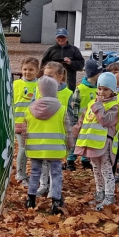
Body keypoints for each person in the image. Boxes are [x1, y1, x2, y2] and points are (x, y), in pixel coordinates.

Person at [18, 75, 68, 215]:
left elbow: (24, 131)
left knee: (34, 173)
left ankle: (31, 199)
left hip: (35, 149)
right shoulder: (61, 109)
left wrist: (25, 144)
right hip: (55, 149)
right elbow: (68, 129)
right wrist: (69, 145)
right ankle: (56, 202)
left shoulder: (29, 109)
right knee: (56, 174)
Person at [74, 72, 119, 210]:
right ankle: (100, 193)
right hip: (92, 144)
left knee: (106, 171)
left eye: (106, 89)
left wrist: (98, 105)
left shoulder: (114, 106)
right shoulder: (91, 103)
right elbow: (83, 120)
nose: (102, 92)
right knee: (96, 170)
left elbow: (105, 120)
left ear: (112, 90)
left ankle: (109, 196)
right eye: (100, 88)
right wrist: (75, 131)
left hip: (104, 145)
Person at [35, 62, 72, 197]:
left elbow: (70, 114)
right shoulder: (39, 89)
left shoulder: (67, 93)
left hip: (58, 134)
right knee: (43, 161)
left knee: (54, 164)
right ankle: (43, 185)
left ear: (60, 77)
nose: (46, 79)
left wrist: (69, 136)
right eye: (44, 75)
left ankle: (54, 189)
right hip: (43, 132)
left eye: (50, 76)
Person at [67, 59, 101, 170]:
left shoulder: (98, 89)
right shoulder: (80, 89)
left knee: (87, 140)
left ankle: (85, 160)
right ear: (94, 73)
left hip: (91, 121)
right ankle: (70, 160)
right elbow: (75, 106)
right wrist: (75, 121)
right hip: (80, 120)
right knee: (76, 140)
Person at [13, 58, 41, 184]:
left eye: (31, 69)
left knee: (32, 149)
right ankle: (20, 174)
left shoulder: (40, 85)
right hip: (19, 122)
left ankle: (32, 174)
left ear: (37, 71)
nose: (27, 72)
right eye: (25, 69)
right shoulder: (16, 84)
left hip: (35, 123)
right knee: (23, 148)